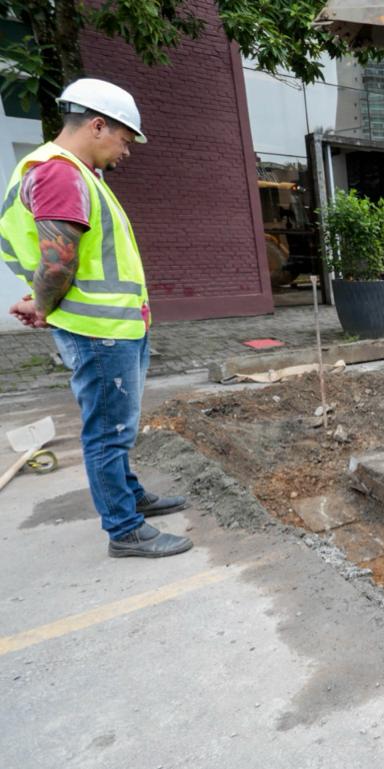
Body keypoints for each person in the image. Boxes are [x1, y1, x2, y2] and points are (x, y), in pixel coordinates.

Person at [1, 79, 191, 559]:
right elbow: (59, 260)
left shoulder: (76, 176)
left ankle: (130, 497)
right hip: (99, 332)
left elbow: (73, 260)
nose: (126, 151)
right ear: (98, 124)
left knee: (115, 425)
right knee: (108, 430)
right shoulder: (60, 174)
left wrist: (40, 302)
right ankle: (124, 529)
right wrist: (42, 305)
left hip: (113, 327)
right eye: (124, 140)